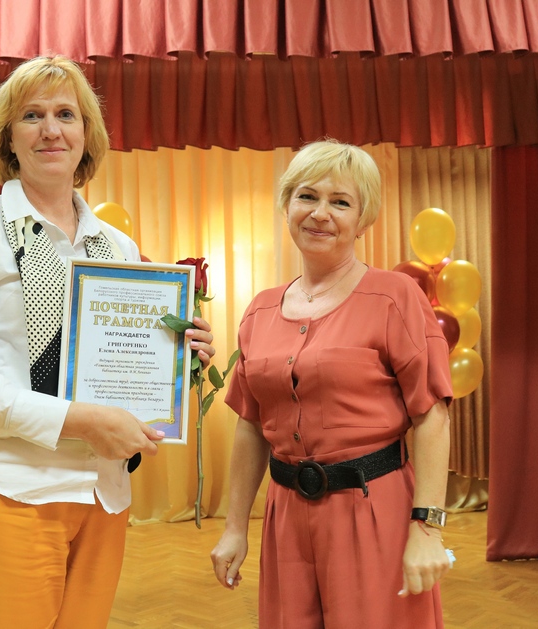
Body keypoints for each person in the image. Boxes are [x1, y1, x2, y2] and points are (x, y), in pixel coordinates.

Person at [0, 55, 215, 629]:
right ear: (8, 138)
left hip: (102, 494)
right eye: (31, 116)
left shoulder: (118, 248)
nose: (50, 130)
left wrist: (180, 359)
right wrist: (78, 421)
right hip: (4, 488)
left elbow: (125, 371)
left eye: (66, 115)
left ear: (87, 134)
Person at [210, 139, 453, 628]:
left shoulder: (394, 296)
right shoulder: (259, 310)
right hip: (285, 516)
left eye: (340, 202)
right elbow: (251, 426)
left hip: (373, 511)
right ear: (287, 205)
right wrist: (235, 527)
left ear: (363, 220)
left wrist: (427, 528)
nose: (320, 213)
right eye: (307, 196)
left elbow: (431, 414)